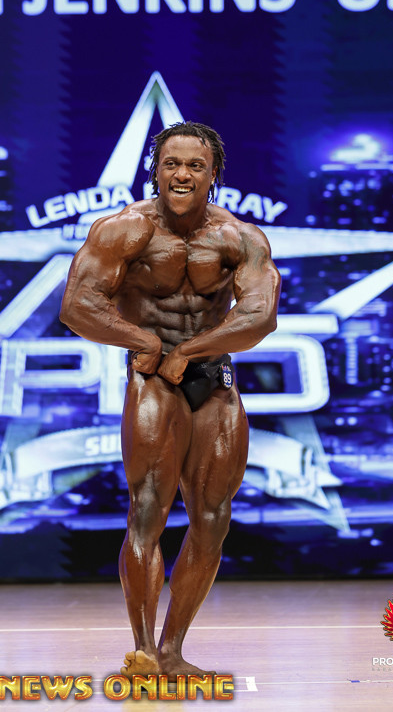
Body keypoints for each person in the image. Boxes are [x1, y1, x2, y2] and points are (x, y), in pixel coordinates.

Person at [60, 121, 280, 678]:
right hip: (153, 377)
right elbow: (78, 306)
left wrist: (192, 349)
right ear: (155, 170)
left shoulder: (240, 238)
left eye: (195, 165)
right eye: (172, 164)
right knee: (147, 511)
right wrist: (147, 342)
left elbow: (260, 316)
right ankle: (142, 652)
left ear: (214, 174)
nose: (182, 174)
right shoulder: (123, 230)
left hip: (212, 377)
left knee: (212, 519)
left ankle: (172, 650)